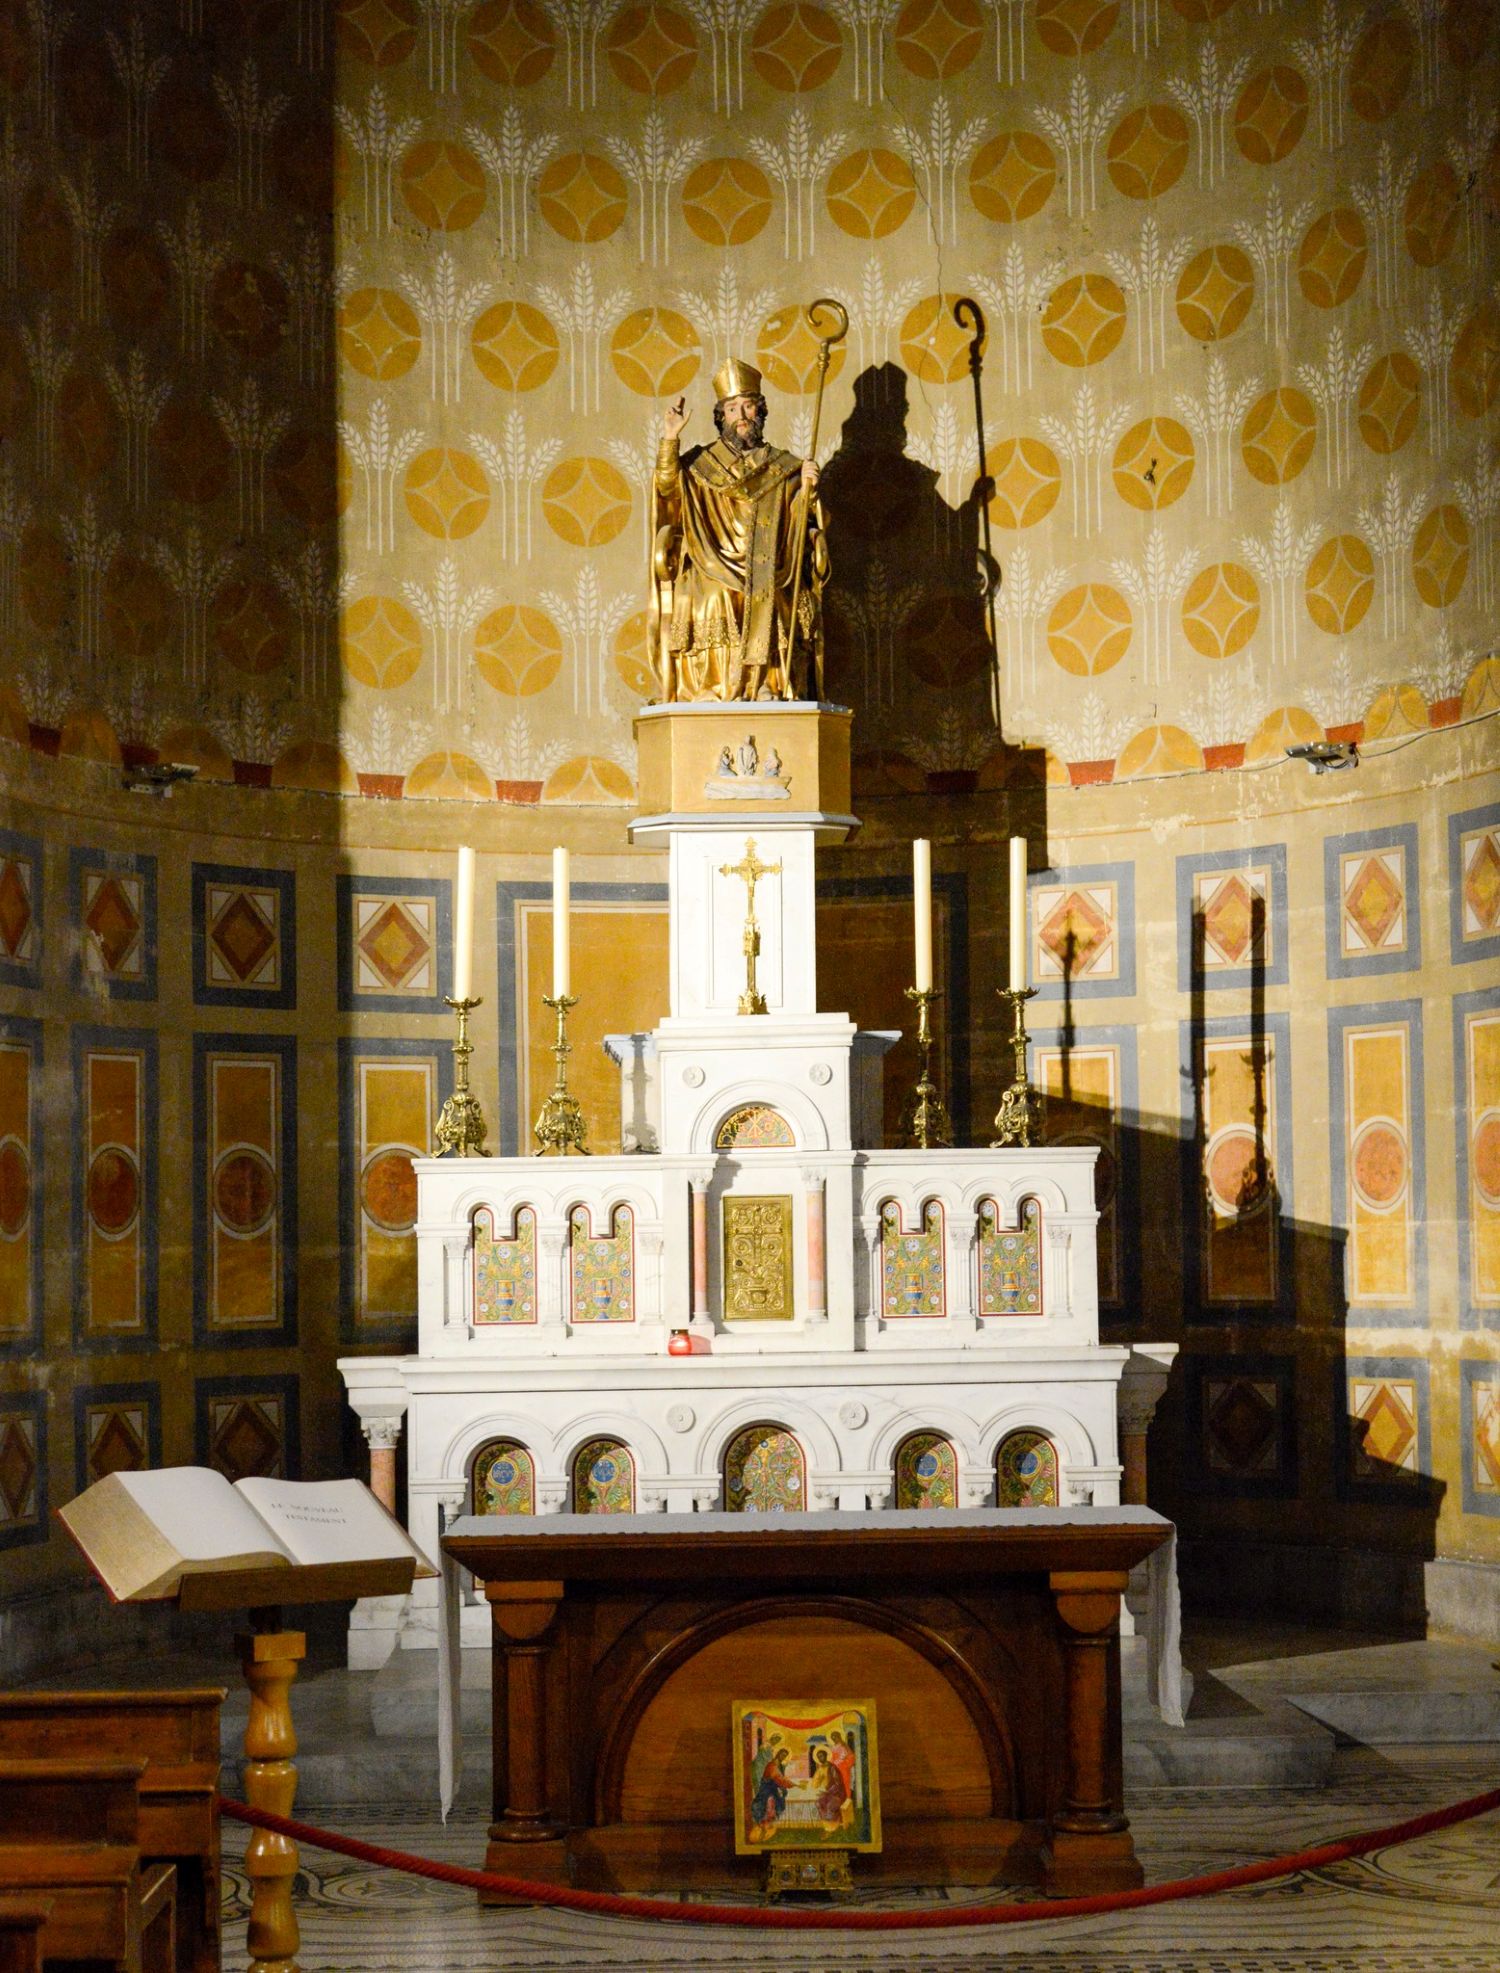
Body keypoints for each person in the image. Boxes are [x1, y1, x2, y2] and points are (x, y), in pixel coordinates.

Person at [651, 357, 827, 703]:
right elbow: (668, 489)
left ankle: (765, 685)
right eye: (733, 409)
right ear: (722, 416)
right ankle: (713, 687)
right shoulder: (699, 464)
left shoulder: (783, 466)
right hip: (709, 561)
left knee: (769, 595)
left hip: (770, 562)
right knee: (714, 598)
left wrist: (809, 489)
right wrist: (670, 438)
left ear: (760, 411)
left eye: (748, 406)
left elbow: (803, 520)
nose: (742, 416)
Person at [812, 1745, 847, 1831]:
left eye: (822, 1756)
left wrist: (828, 1792)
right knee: (818, 1803)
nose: (820, 1758)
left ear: (826, 1756)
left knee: (830, 1805)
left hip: (836, 1793)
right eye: (818, 1757)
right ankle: (825, 1824)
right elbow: (815, 1783)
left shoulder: (832, 1768)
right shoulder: (820, 1768)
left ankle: (833, 1825)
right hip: (826, 1793)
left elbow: (838, 1783)